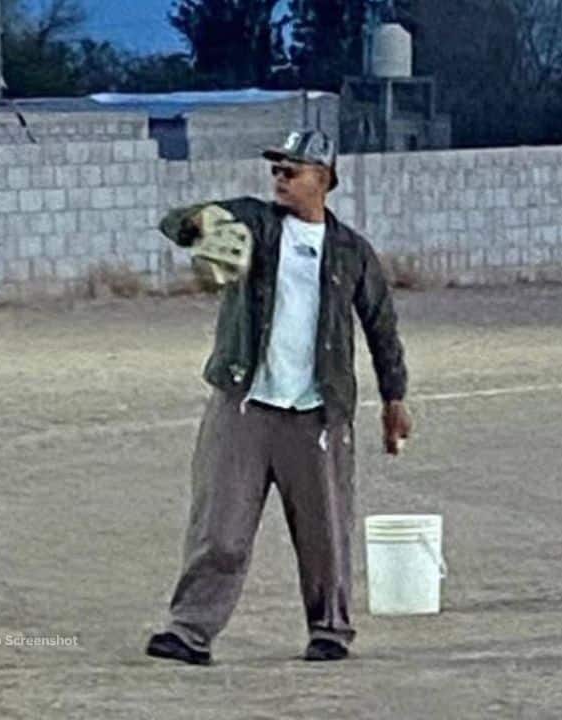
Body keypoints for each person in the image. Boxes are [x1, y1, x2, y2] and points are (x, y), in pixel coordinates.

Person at [145, 130, 412, 664]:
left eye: (293, 171)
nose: (280, 179)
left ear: (324, 179)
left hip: (317, 413)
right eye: (276, 170)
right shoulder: (257, 222)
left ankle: (329, 630)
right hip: (244, 403)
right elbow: (176, 220)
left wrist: (394, 398)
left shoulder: (351, 251)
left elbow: (381, 327)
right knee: (220, 529)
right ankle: (189, 631)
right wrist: (199, 225)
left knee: (324, 534)